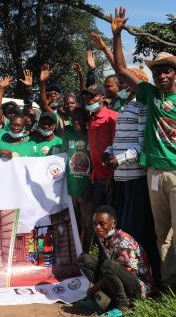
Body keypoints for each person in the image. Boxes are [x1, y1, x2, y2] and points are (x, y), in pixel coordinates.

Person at [111, 6, 176, 286]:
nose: (161, 75)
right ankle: (168, 284)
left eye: (167, 70)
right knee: (161, 233)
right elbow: (121, 70)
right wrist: (116, 36)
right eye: (158, 71)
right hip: (153, 173)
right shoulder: (150, 95)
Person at [102, 66, 160, 282]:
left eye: (129, 81)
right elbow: (120, 140)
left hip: (134, 178)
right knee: (122, 230)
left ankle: (144, 279)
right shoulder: (126, 107)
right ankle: (124, 276)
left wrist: (122, 158)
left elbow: (143, 142)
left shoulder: (143, 106)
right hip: (120, 178)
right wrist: (108, 152)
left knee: (137, 231)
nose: (125, 84)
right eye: (124, 81)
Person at [77, 205, 153, 316]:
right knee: (83, 259)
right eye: (95, 224)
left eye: (102, 224)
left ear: (113, 224)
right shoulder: (103, 235)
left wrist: (93, 290)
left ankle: (123, 305)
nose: (97, 227)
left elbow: (127, 271)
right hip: (118, 277)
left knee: (108, 266)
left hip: (138, 287)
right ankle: (105, 300)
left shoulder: (123, 241)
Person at [82, 84, 117, 208]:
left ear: (102, 97)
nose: (89, 99)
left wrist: (112, 176)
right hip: (96, 178)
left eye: (93, 96)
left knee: (111, 217)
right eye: (87, 96)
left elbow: (117, 147)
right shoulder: (91, 120)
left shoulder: (113, 117)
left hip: (111, 178)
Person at [63, 107, 92, 253]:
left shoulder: (91, 134)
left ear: (86, 120)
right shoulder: (67, 135)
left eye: (79, 119)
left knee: (88, 225)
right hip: (71, 190)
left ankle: (88, 257)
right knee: (74, 224)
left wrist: (91, 185)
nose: (76, 122)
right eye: (73, 119)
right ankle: (75, 254)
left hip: (87, 189)